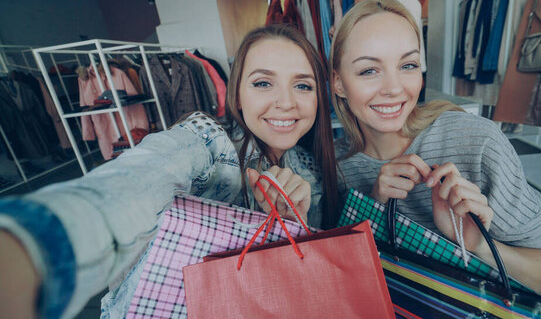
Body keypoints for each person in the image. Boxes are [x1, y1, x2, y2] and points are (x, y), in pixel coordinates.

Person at [0, 24, 338, 319]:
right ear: (237, 95)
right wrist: (31, 251)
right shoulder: (206, 145)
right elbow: (132, 185)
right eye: (263, 83)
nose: (286, 102)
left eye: (303, 86)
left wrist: (293, 224)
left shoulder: (308, 170)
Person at [330, 0, 541, 299]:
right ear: (338, 83)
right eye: (369, 71)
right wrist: (373, 207)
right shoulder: (335, 167)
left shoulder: (475, 142)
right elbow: (346, 284)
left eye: (408, 65)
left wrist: (477, 243)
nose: (393, 87)